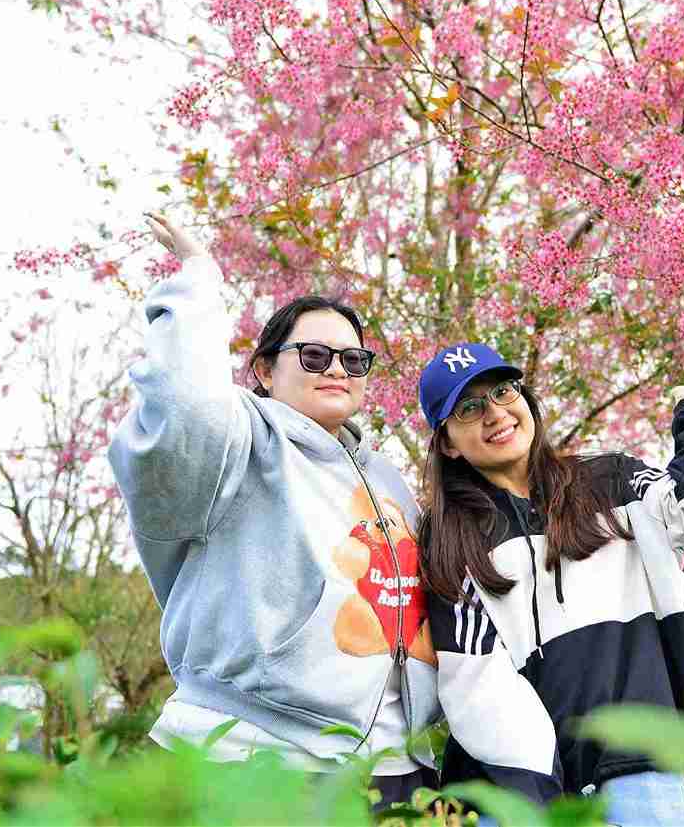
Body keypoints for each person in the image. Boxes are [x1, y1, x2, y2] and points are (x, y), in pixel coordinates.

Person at [107, 212, 440, 805]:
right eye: (313, 356)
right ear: (264, 369)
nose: (337, 369)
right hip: (253, 754)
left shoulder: (385, 477)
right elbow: (186, 405)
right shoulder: (240, 440)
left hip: (388, 766)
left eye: (353, 360)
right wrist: (199, 279)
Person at [414, 342, 684, 825]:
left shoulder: (613, 482)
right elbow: (474, 682)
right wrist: (537, 794)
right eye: (469, 407)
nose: (495, 414)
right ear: (448, 443)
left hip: (638, 768)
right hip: (516, 793)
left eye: (503, 391)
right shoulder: (448, 541)